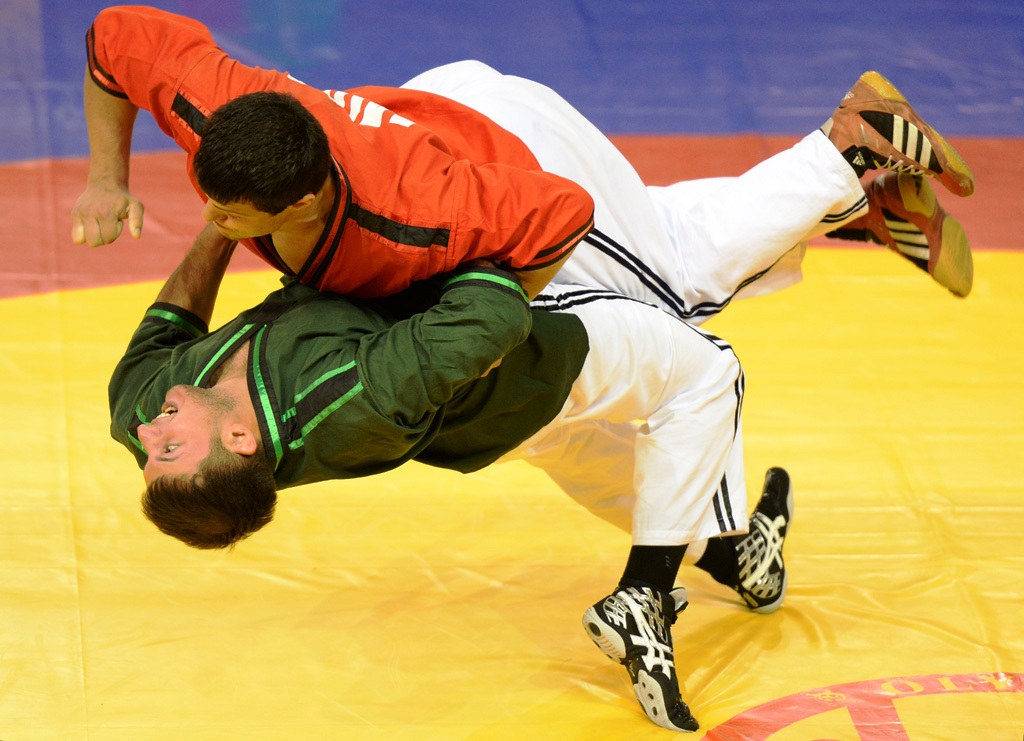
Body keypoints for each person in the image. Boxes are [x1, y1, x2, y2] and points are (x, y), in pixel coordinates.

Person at [107, 60, 975, 731]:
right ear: (243, 442)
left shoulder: (149, 406)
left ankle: (844, 170)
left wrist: (220, 216)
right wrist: (464, 227)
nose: (148, 431)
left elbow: (165, 316)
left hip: (471, 164)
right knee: (657, 297)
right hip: (488, 268)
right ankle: (733, 545)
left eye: (149, 446)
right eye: (168, 449)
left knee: (675, 289)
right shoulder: (351, 396)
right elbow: (490, 311)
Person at [74, 6, 975, 308]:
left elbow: (562, 215)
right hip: (442, 112)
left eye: (230, 215)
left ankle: (849, 148)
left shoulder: (406, 218)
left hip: (515, 160)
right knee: (647, 228)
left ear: (304, 203)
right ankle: (854, 205)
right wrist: (107, 180)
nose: (212, 224)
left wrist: (511, 316)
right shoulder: (216, 105)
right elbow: (113, 38)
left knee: (669, 286)